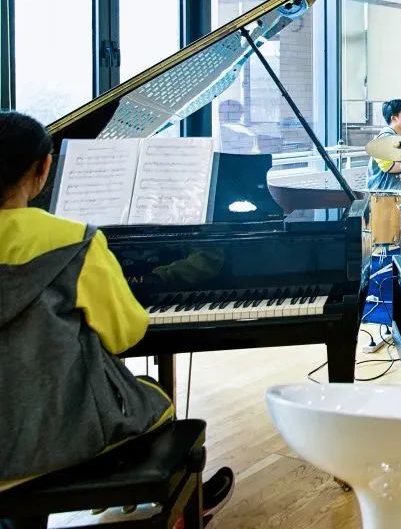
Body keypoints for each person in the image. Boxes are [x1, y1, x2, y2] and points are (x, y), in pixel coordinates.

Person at [0, 112, 233, 524]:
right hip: (51, 439)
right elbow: (126, 333)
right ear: (44, 168)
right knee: (152, 399)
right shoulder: (73, 240)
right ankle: (179, 504)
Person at [367, 99, 401, 243]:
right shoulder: (385, 138)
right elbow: (388, 167)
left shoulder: (400, 137)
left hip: (396, 187)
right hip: (383, 189)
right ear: (394, 117)